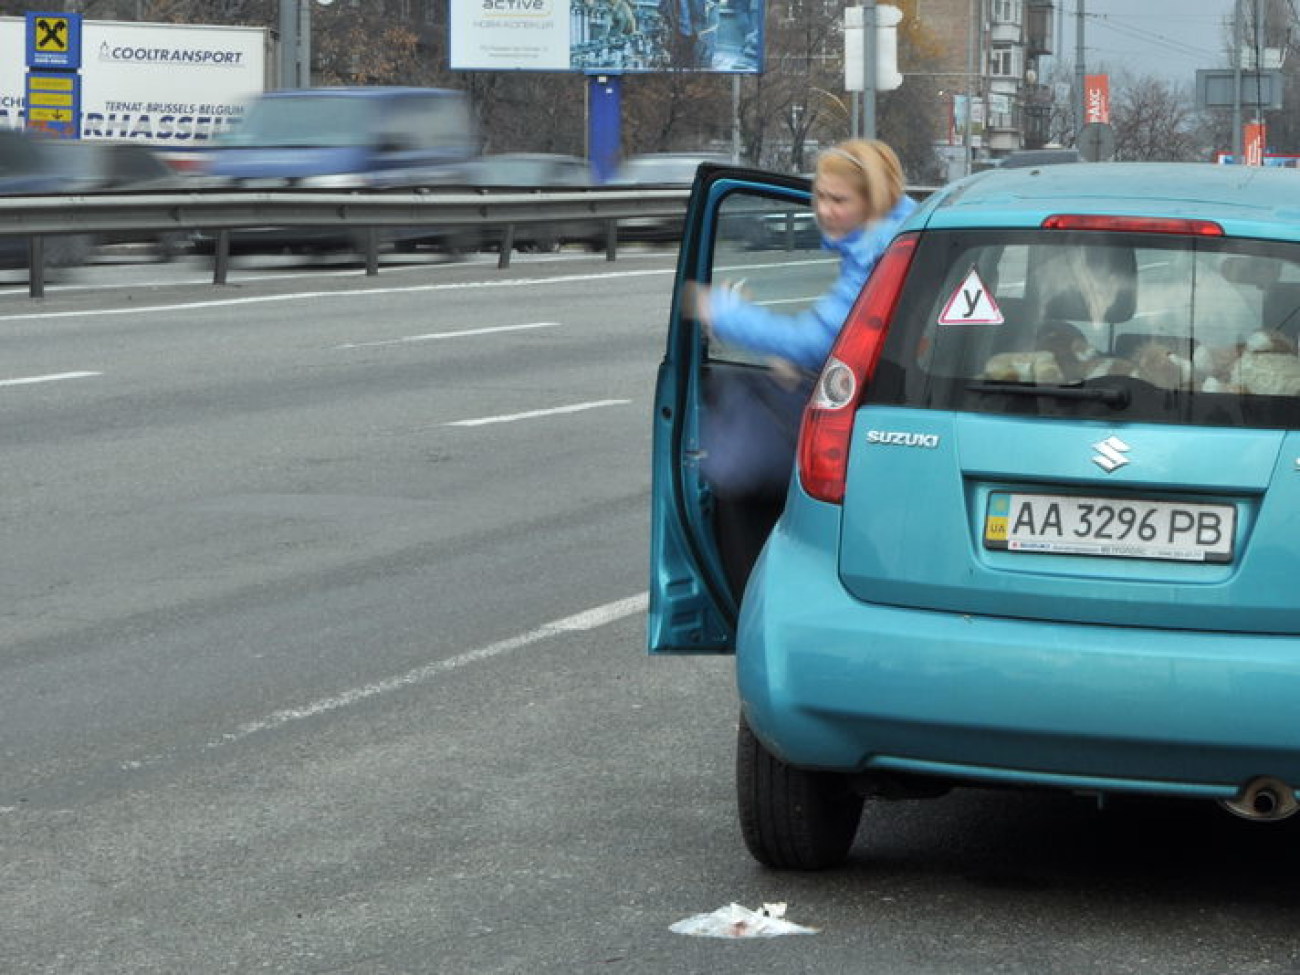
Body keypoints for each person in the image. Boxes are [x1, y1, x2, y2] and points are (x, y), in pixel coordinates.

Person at [692, 138, 918, 372]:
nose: (823, 210)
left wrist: (726, 314)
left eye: (838, 200)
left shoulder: (877, 257)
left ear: (872, 203)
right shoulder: (896, 236)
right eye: (820, 196)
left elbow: (818, 343)